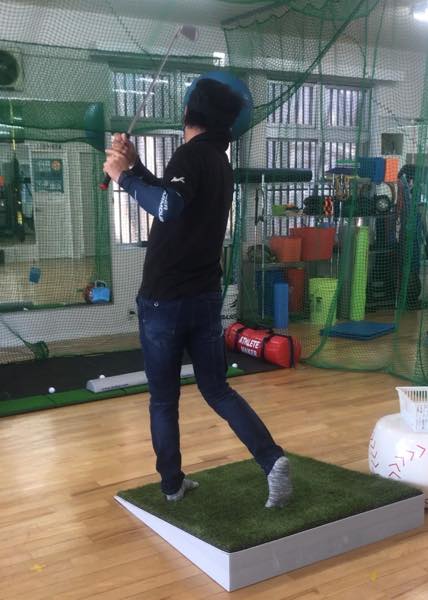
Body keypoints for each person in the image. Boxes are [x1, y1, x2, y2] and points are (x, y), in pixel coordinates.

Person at [103, 77, 292, 507]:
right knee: (218, 389)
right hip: (204, 298)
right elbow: (173, 197)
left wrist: (122, 178)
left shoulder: (191, 154)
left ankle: (171, 485)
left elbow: (167, 207)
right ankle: (271, 459)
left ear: (189, 112)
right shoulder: (218, 161)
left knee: (163, 401)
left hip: (164, 301)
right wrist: (134, 166)